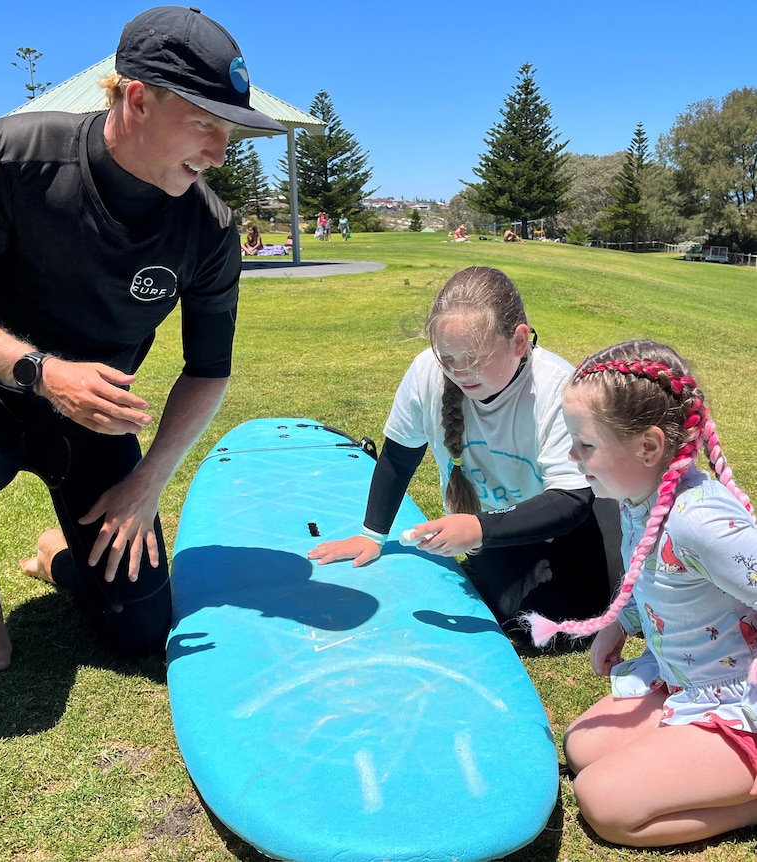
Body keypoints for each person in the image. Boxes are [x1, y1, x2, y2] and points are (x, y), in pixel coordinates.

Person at [0, 6, 286, 674]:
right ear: (138, 98)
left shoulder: (209, 230)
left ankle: (58, 558)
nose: (221, 153)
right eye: (206, 124)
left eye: (230, 132)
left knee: (140, 634)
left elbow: (208, 369)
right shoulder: (12, 155)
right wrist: (43, 373)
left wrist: (148, 481)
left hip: (94, 426)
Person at [525, 340, 757, 847]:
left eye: (584, 444)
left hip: (742, 705)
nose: (572, 455)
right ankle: (684, 750)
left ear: (648, 448)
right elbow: (649, 575)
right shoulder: (639, 498)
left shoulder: (700, 522)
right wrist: (618, 624)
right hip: (686, 684)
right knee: (582, 748)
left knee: (604, 803)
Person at [308, 266, 617, 636]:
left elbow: (571, 499)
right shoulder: (426, 372)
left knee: (606, 602)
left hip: (575, 515)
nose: (459, 372)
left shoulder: (556, 386)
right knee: (522, 621)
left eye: (474, 358)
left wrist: (477, 527)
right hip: (495, 528)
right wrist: (371, 535)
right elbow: (398, 458)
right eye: (447, 358)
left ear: (519, 342)